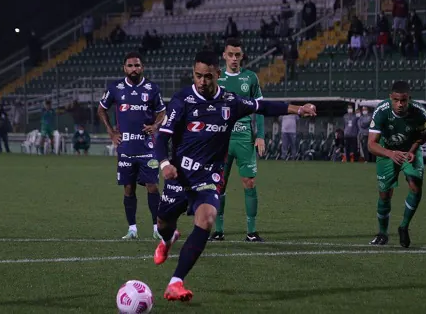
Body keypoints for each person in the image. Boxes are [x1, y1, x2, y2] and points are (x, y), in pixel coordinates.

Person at [153, 50, 317, 301]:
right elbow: (162, 137)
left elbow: (263, 106)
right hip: (179, 175)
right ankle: (168, 238)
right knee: (163, 222)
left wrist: (298, 109)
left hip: (209, 177)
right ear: (193, 74)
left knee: (206, 218)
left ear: (217, 74)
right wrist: (165, 164)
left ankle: (176, 281)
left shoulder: (231, 101)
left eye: (208, 76)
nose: (202, 81)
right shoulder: (182, 100)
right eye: (198, 76)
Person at [98, 51, 166, 240]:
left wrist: (155, 126)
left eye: (137, 65)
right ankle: (132, 229)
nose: (134, 69)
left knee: (152, 186)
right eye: (130, 66)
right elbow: (101, 108)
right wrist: (111, 132)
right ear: (124, 68)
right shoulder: (115, 88)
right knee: (129, 188)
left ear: (142, 67)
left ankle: (156, 228)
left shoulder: (152, 88)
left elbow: (162, 111)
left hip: (147, 148)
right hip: (126, 147)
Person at [210, 38, 266, 242]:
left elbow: (260, 109)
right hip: (221, 137)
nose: (234, 59)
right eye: (230, 55)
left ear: (242, 56)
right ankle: (218, 230)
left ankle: (251, 231)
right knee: (218, 185)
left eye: (238, 55)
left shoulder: (250, 78)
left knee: (249, 182)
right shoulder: (216, 78)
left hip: (244, 137)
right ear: (224, 55)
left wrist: (260, 135)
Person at [367, 81, 426, 248]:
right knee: (385, 194)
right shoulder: (381, 111)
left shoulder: (420, 113)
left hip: (410, 151)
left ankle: (404, 226)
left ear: (409, 99)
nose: (400, 104)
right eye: (396, 100)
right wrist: (390, 154)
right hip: (387, 153)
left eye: (403, 100)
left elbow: (422, 136)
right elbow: (371, 144)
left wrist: (413, 150)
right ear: (390, 98)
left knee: (415, 185)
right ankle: (382, 233)